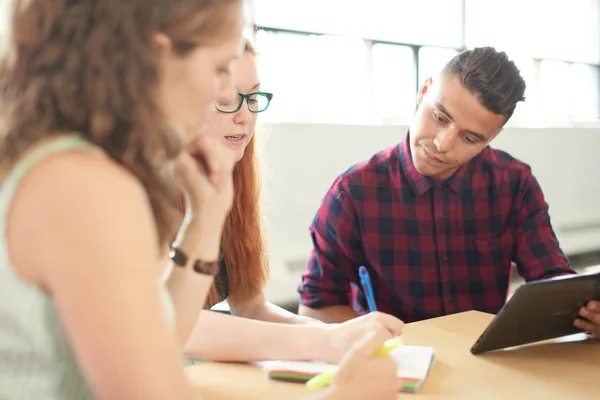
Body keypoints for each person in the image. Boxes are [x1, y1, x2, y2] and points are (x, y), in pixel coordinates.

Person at [0, 1, 403, 400]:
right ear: (160, 57)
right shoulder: (89, 185)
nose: (228, 96)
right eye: (218, 71)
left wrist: (205, 218)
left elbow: (161, 335)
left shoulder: (63, 161)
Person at [297, 46, 600, 337]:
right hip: (394, 366)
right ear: (424, 90)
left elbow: (553, 281)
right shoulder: (353, 193)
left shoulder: (514, 183)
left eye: (469, 138)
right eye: (440, 118)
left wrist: (588, 311)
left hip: (483, 368)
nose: (442, 143)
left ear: (493, 135)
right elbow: (316, 309)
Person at [181, 37, 406, 364]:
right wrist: (324, 340)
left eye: (253, 97)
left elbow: (251, 307)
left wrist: (341, 335)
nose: (244, 116)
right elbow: (177, 325)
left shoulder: (230, 180)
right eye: (226, 99)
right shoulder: (136, 191)